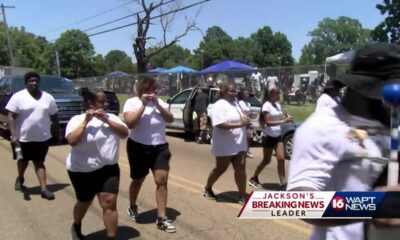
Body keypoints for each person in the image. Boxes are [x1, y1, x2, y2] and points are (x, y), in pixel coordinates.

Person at [287, 43, 400, 240]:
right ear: (369, 91)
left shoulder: (389, 123)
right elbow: (299, 204)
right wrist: (371, 205)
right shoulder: (323, 127)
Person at [65, 89, 128, 240]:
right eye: (101, 101)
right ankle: (76, 224)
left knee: (109, 202)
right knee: (84, 202)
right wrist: (86, 121)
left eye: (105, 101)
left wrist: (106, 120)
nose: (105, 104)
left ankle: (111, 237)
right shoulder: (76, 120)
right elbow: (72, 141)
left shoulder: (112, 117)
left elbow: (124, 133)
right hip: (81, 170)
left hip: (108, 169)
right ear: (90, 103)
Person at [123, 76, 176, 233]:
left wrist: (158, 104)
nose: (153, 92)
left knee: (162, 180)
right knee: (138, 179)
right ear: (142, 90)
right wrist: (143, 106)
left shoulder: (161, 103)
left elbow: (170, 119)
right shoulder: (132, 103)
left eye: (155, 89)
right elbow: (130, 123)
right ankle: (132, 206)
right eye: (150, 89)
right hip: (138, 147)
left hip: (160, 147)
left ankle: (161, 218)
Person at [6, 71, 60, 200]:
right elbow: (11, 116)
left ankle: (43, 189)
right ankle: (20, 178)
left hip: (42, 138)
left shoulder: (48, 98)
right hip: (21, 138)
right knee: (22, 161)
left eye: (36, 80)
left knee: (39, 162)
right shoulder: (18, 97)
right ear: (26, 83)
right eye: (31, 81)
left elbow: (55, 117)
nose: (34, 83)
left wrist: (56, 134)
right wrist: (13, 136)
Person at [203, 83, 249, 204]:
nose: (234, 93)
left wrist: (246, 124)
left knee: (241, 169)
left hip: (239, 142)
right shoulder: (219, 105)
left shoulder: (236, 103)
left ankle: (242, 196)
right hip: (224, 143)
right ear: (223, 92)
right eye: (231, 91)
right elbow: (219, 124)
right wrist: (240, 124)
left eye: (235, 91)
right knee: (221, 168)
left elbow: (242, 119)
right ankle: (208, 188)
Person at [248, 86, 292, 190]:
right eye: (276, 92)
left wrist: (287, 117)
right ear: (270, 94)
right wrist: (284, 121)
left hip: (278, 135)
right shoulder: (266, 106)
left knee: (281, 159)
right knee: (266, 160)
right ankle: (254, 178)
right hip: (268, 136)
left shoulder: (277, 105)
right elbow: (268, 122)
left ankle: (283, 183)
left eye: (278, 92)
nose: (278, 94)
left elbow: (279, 118)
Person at [237, 89, 254, 158]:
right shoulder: (240, 102)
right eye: (246, 94)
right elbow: (243, 112)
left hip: (248, 122)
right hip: (242, 122)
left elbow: (250, 113)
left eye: (248, 94)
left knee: (249, 137)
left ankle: (247, 150)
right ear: (242, 95)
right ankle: (241, 151)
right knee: (242, 137)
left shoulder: (248, 104)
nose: (248, 95)